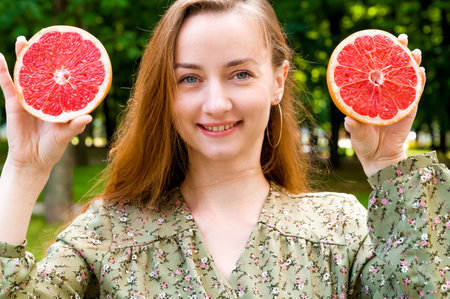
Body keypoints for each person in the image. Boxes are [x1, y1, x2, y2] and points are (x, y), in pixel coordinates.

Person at [0, 0, 448, 297]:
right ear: (167, 93)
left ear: (278, 81)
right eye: (189, 78)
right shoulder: (107, 232)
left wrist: (390, 164)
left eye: (240, 74)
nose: (216, 103)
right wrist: (22, 171)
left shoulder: (341, 227)